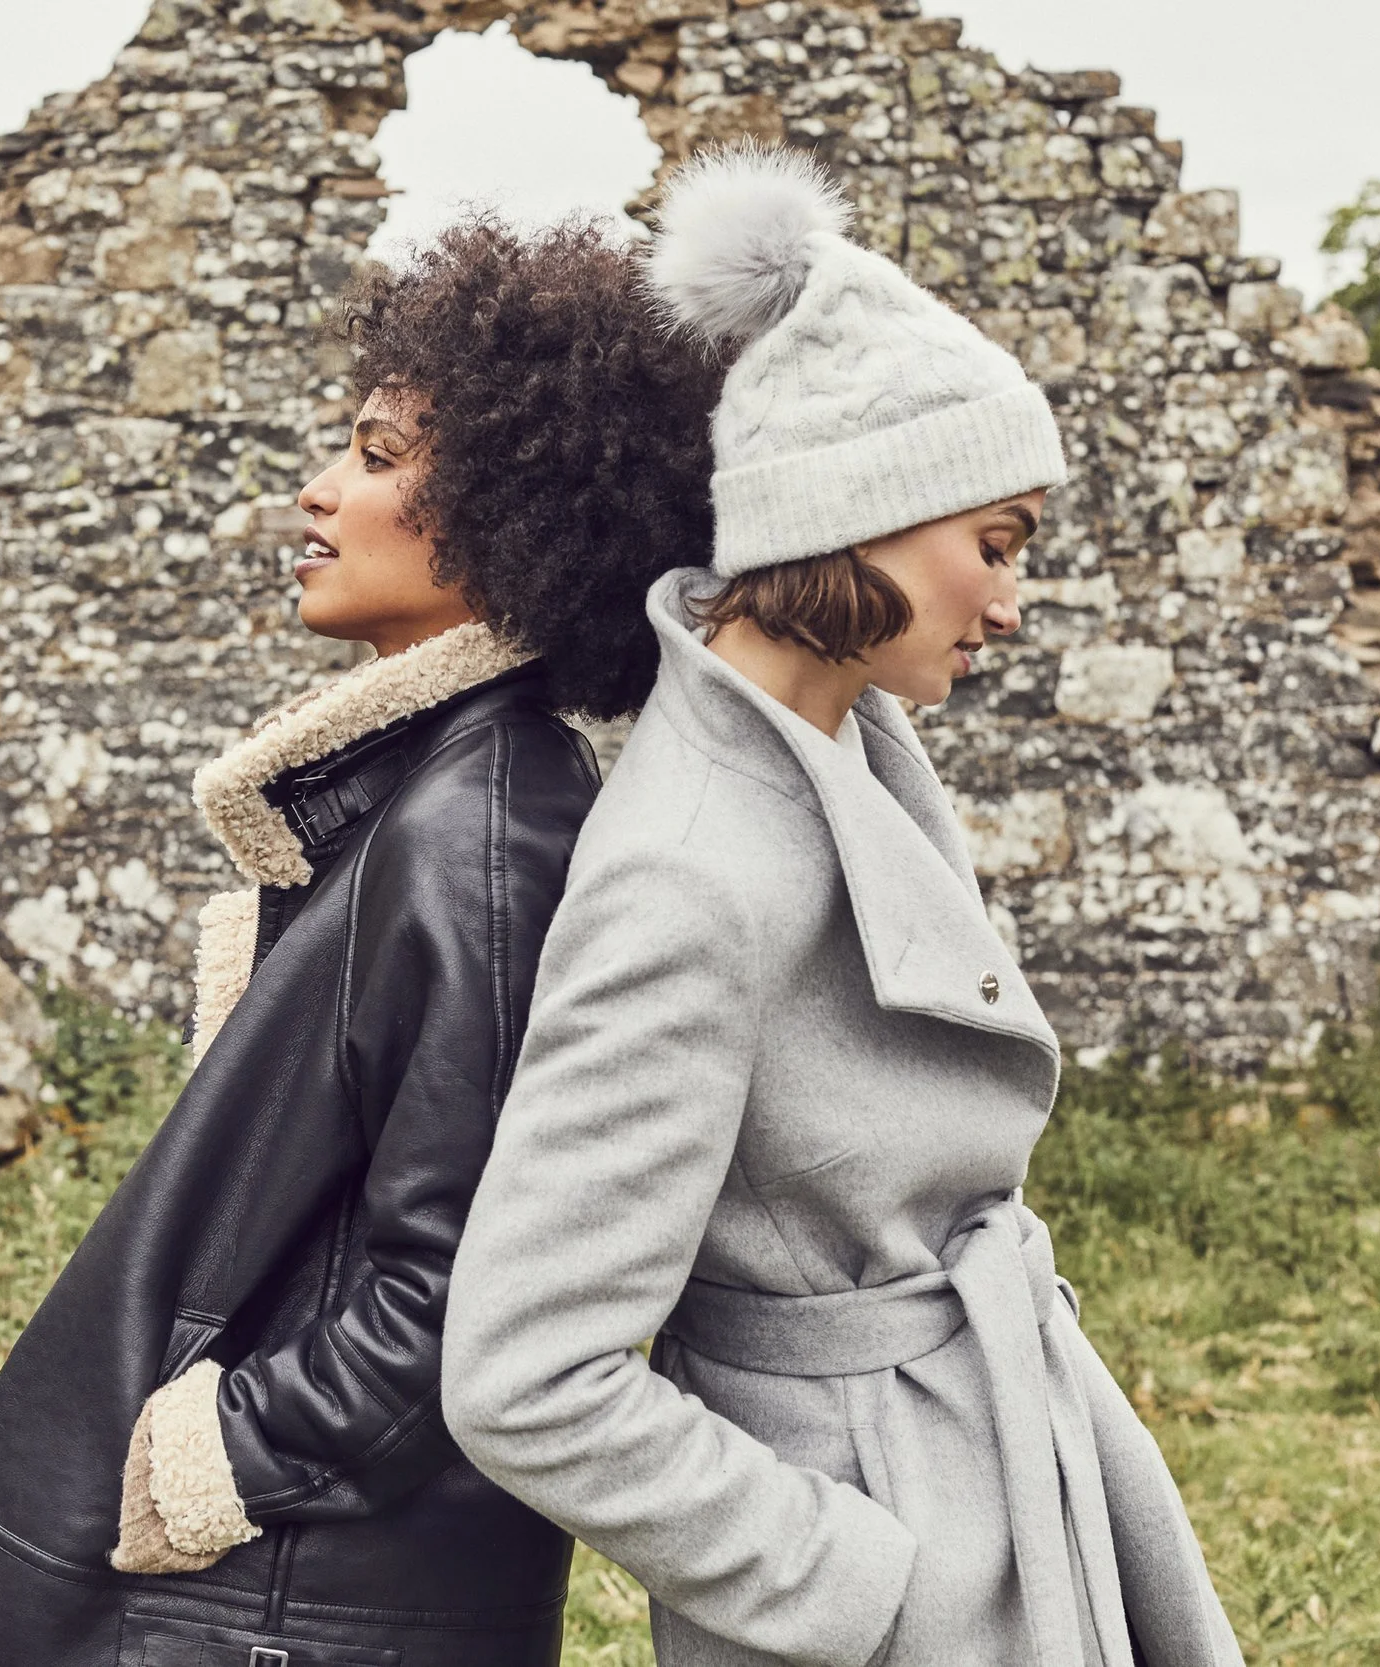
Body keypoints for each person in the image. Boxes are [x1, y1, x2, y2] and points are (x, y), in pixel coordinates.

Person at [0, 215, 723, 1667]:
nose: (318, 490)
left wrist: (217, 1458)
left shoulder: (482, 832)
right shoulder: (437, 797)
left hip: (291, 1609)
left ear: (521, 506)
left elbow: (475, 1292)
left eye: (379, 456)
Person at [441, 146, 1246, 1667]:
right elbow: (525, 1377)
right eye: (994, 545)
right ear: (858, 510)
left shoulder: (845, 747)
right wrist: (870, 1584)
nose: (1011, 605)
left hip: (1002, 1447)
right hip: (886, 1541)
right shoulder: (685, 867)